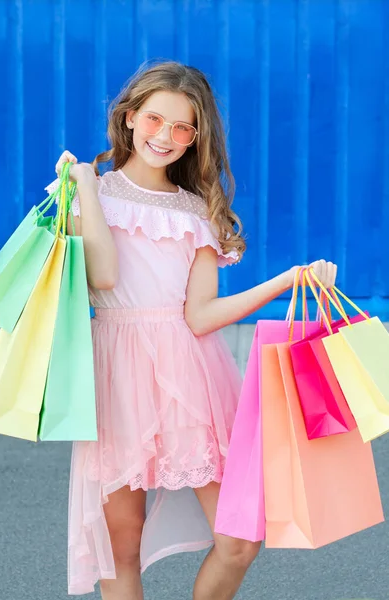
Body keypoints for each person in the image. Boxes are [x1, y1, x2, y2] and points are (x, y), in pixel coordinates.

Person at [48, 61, 337, 600]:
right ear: (130, 118)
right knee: (121, 543)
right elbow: (103, 275)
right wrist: (86, 183)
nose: (166, 136)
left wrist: (285, 280)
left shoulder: (196, 210)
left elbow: (200, 315)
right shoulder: (89, 191)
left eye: (183, 127)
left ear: (196, 137)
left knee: (239, 538)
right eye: (155, 119)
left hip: (190, 378)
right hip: (117, 377)